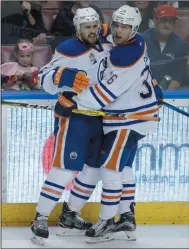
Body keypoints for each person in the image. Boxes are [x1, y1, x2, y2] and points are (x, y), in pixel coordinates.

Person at [59, 5, 162, 243]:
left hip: (129, 119)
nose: (118, 31)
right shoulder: (134, 41)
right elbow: (103, 31)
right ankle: (126, 215)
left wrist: (71, 100)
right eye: (116, 25)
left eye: (125, 27)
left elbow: (103, 96)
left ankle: (108, 221)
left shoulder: (124, 56)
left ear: (134, 29)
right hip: (133, 117)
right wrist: (96, 28)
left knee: (109, 169)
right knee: (123, 169)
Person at [30, 7, 112, 245]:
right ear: (77, 28)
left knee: (94, 170)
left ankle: (69, 214)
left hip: (99, 119)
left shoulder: (106, 43)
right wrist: (60, 77)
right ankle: (40, 217)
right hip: (74, 118)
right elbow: (43, 79)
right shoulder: (68, 50)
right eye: (87, 27)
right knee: (64, 169)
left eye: (95, 26)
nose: (92, 31)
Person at [142, 4, 188, 90]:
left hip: (168, 94)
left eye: (171, 21)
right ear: (155, 20)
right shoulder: (141, 42)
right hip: (143, 91)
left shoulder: (181, 45)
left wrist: (164, 95)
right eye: (163, 20)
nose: (167, 24)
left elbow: (177, 78)